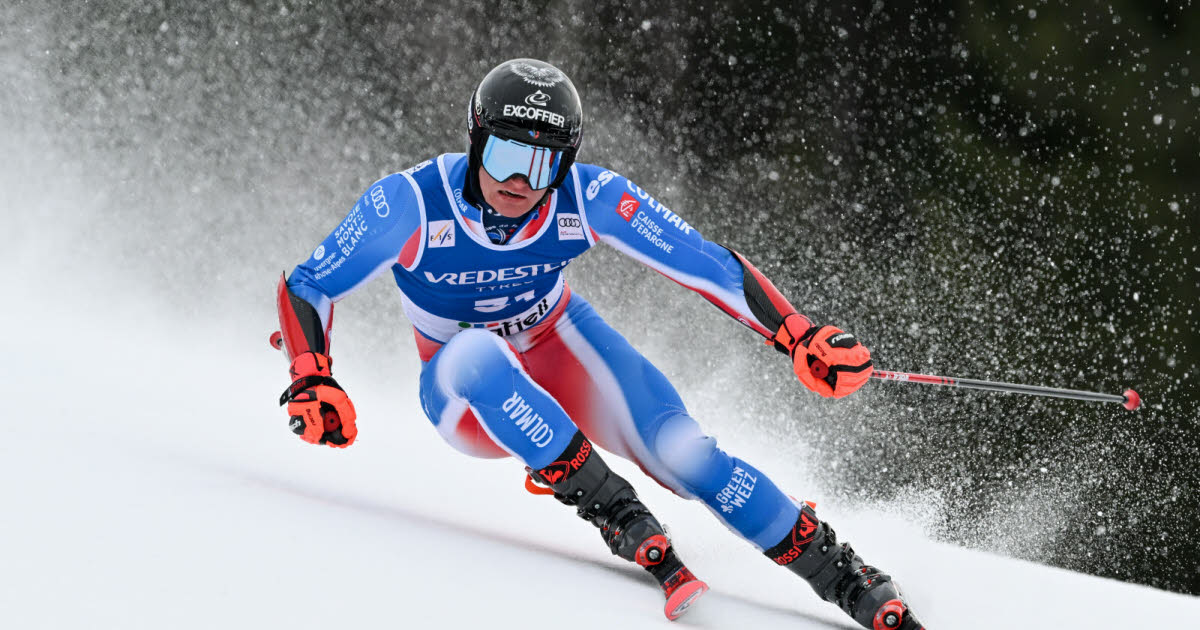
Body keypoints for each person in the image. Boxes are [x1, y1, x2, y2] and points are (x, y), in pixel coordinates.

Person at [273, 58, 924, 629]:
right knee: (478, 353)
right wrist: (312, 374)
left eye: (543, 164)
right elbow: (308, 284)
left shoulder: (590, 197)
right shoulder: (410, 204)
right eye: (504, 155)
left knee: (684, 452)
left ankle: (844, 575)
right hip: (461, 389)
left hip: (558, 339)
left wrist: (796, 333)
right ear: (475, 140)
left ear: (567, 164)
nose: (521, 183)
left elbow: (702, 263)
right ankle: (612, 508)